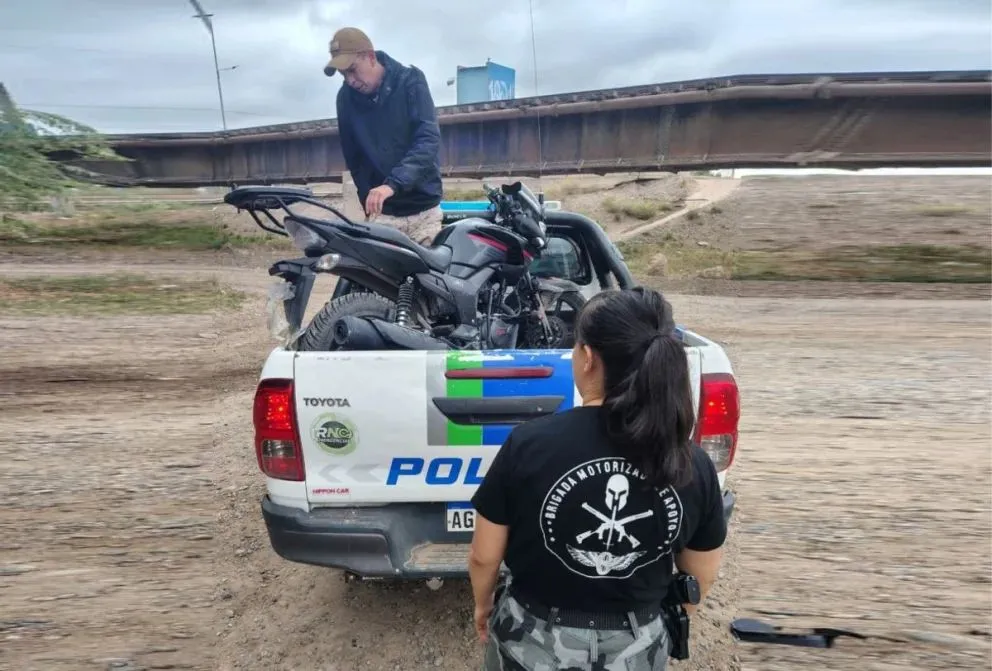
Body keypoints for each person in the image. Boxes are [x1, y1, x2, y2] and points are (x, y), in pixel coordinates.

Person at [468, 286, 727, 670]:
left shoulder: (529, 444)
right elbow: (700, 578)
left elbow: (484, 556)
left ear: (588, 357)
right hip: (637, 646)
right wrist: (648, 629)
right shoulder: (693, 463)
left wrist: (483, 605)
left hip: (533, 640)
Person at [323, 27, 444, 245]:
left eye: (352, 70)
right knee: (373, 279)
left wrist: (392, 185)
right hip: (384, 216)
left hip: (424, 212)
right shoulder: (345, 99)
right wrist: (367, 200)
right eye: (343, 74)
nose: (350, 80)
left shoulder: (411, 81)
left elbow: (427, 140)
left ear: (370, 57)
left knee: (430, 279)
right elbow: (355, 158)